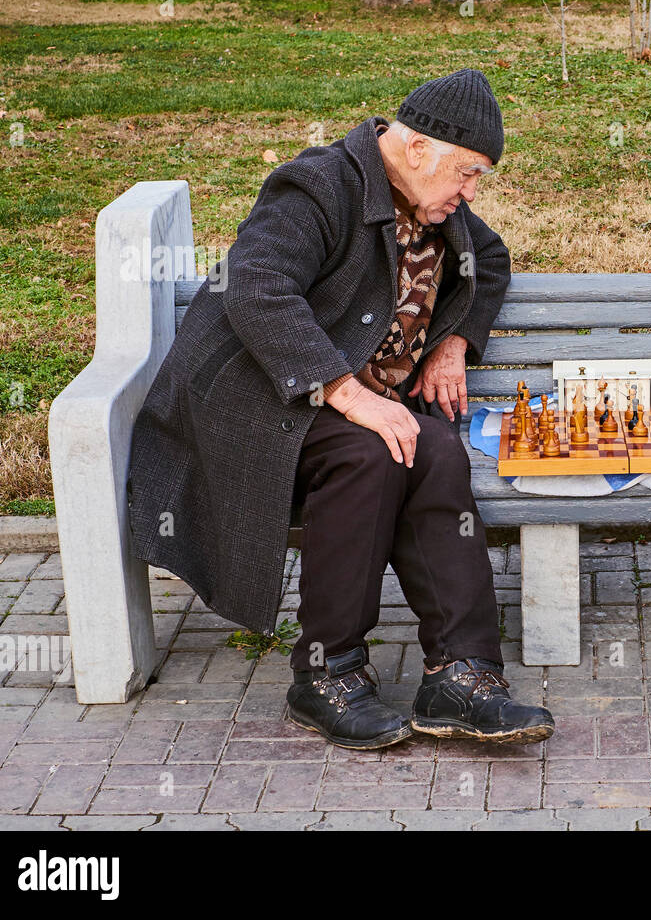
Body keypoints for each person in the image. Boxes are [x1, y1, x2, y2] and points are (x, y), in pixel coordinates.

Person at [127, 69, 554, 747]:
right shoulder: (320, 186)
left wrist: (454, 345)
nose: (472, 194)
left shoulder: (433, 202)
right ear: (417, 149)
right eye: (468, 174)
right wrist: (352, 395)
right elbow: (258, 288)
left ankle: (461, 674)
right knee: (371, 453)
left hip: (343, 409)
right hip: (260, 403)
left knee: (436, 449)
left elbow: (489, 260)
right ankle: (325, 675)